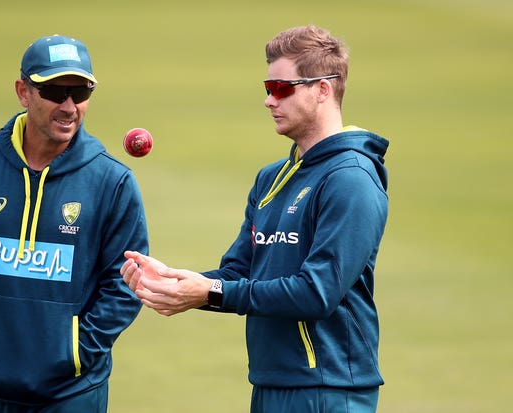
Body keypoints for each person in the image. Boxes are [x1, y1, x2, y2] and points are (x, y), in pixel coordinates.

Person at [121, 25, 389, 413]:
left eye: (281, 88)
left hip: (329, 389)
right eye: (267, 87)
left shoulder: (351, 180)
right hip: (271, 382)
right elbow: (238, 272)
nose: (268, 100)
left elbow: (318, 292)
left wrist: (211, 292)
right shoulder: (272, 179)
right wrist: (178, 283)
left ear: (323, 89)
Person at [0, 34, 148, 412]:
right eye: (55, 91)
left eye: (80, 93)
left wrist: (78, 352)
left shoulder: (111, 180)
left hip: (72, 393)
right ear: (23, 91)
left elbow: (127, 281)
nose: (69, 106)